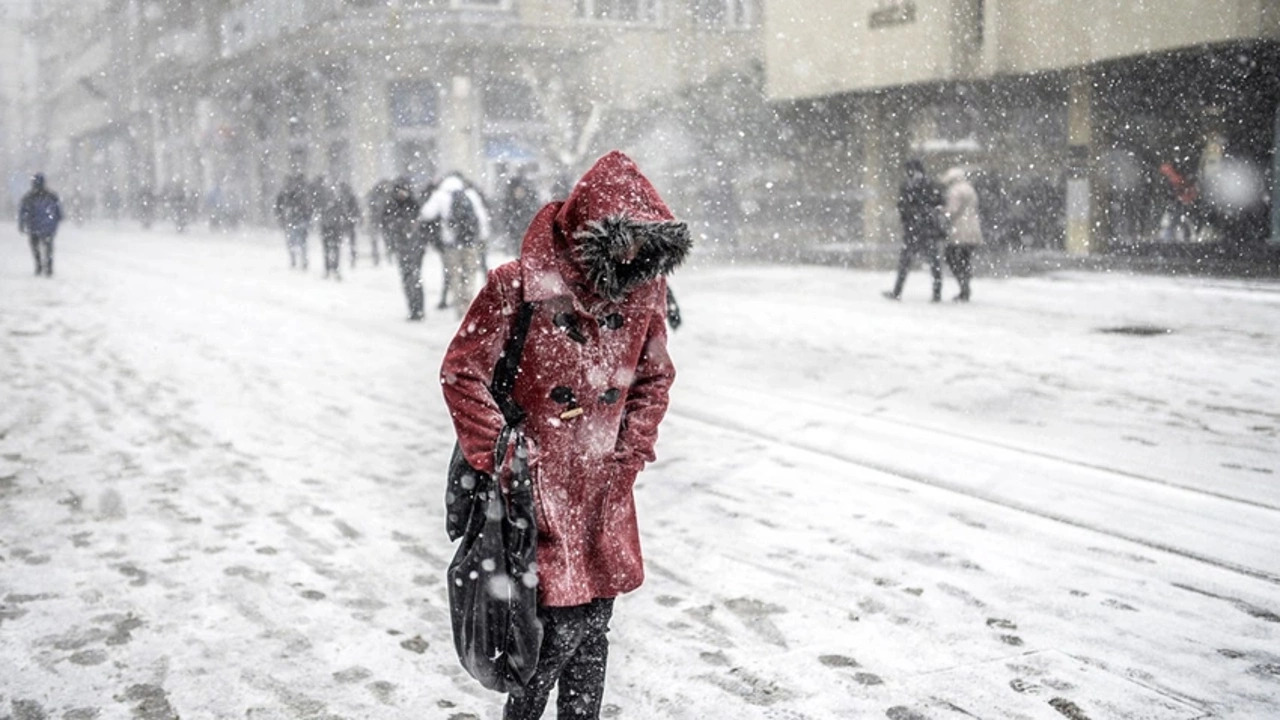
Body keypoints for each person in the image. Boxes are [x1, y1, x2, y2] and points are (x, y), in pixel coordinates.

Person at [440, 151, 691, 720]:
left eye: (644, 245)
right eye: (624, 241)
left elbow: (653, 378)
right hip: (535, 494)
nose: (634, 258)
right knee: (545, 640)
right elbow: (462, 372)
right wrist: (505, 455)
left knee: (594, 630)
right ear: (589, 236)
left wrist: (627, 455)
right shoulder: (515, 288)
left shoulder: (642, 293)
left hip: (602, 493)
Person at [420, 172, 492, 317]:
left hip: (451, 242)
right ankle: (468, 301)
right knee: (470, 273)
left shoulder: (440, 195)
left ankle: (460, 306)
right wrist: (483, 237)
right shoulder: (470, 194)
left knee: (455, 274)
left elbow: (426, 213)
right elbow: (482, 217)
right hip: (471, 241)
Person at [884, 158, 945, 302]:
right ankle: (937, 293)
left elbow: (903, 207)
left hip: (913, 230)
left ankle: (897, 291)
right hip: (929, 228)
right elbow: (940, 202)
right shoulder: (931, 183)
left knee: (905, 262)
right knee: (934, 263)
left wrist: (908, 217)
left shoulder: (907, 185)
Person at [382, 177, 425, 320]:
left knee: (415, 277)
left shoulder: (413, 205)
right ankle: (413, 308)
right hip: (402, 246)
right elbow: (386, 225)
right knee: (407, 278)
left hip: (414, 246)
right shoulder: (392, 206)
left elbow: (422, 225)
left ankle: (418, 308)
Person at [941, 166, 984, 302]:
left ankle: (964, 288)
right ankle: (965, 287)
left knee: (952, 257)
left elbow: (952, 210)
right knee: (965, 259)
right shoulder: (969, 188)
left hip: (959, 228)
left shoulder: (955, 191)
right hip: (973, 227)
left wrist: (941, 211)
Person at [18, 173, 63, 277]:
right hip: (48, 227)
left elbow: (23, 212)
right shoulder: (52, 196)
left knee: (35, 247)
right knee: (48, 247)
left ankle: (39, 266)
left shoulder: (28, 197)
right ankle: (49, 267)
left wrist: (22, 224)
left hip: (34, 227)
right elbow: (58, 210)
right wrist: (57, 219)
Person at [275, 174, 314, 270]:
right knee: (297, 241)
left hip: (297, 220)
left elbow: (309, 207)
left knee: (296, 241)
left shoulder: (295, 194)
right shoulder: (291, 194)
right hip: (295, 220)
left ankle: (298, 260)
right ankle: (299, 260)